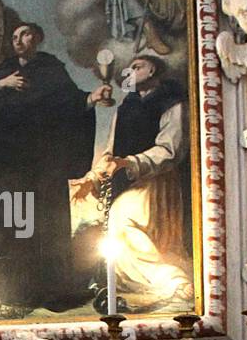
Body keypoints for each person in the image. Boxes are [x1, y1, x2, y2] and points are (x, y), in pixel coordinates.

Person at [0, 22, 111, 311]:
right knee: (10, 223)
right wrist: (0, 85)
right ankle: (6, 291)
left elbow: (69, 103)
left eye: (23, 35)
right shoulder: (3, 71)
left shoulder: (51, 70)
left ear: (36, 38)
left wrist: (91, 99)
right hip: (8, 166)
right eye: (14, 36)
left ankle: (48, 289)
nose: (18, 40)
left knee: (45, 223)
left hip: (42, 164)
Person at [75, 54, 193, 310]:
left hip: (157, 183)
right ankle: (151, 281)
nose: (130, 72)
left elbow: (170, 150)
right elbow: (110, 151)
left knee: (121, 221)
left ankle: (173, 279)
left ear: (152, 70)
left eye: (137, 67)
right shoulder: (126, 107)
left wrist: (129, 162)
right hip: (130, 183)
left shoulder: (171, 102)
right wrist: (92, 178)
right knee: (111, 227)